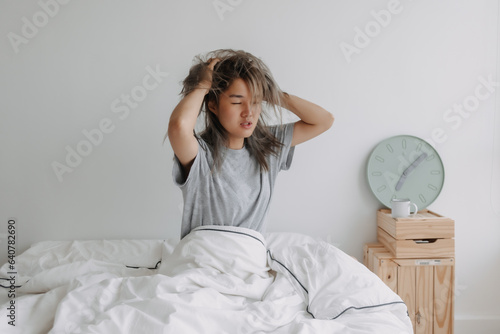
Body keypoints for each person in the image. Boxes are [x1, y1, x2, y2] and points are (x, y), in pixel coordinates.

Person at [168, 49, 334, 239]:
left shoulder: (268, 147)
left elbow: (324, 120)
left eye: (256, 102)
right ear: (213, 105)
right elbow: (179, 127)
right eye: (237, 103)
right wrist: (204, 85)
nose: (249, 112)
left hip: (249, 258)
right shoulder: (200, 154)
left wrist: (273, 94)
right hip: (204, 258)